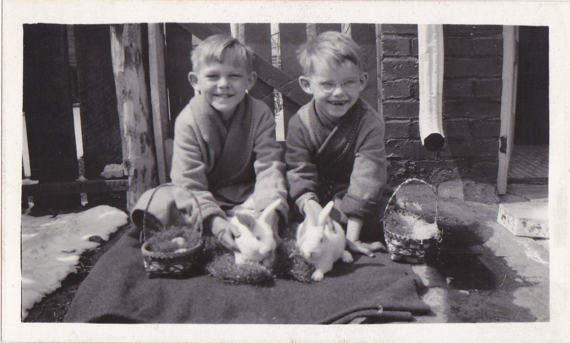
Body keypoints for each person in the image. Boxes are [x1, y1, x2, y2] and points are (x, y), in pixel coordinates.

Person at [170, 34, 288, 252]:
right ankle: (211, 225)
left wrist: (268, 215)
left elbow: (269, 167)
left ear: (249, 80)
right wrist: (214, 221)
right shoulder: (188, 121)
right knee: (162, 202)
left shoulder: (260, 114)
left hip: (249, 195)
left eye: (234, 76)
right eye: (213, 76)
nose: (223, 84)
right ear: (195, 81)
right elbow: (187, 181)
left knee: (280, 191)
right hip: (207, 197)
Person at [286, 31, 387, 257]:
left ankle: (339, 230)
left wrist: (352, 239)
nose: (339, 92)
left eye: (348, 82)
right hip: (314, 197)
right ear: (306, 84)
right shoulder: (299, 123)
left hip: (351, 196)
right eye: (327, 84)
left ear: (362, 82)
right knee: (283, 201)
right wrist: (312, 210)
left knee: (389, 214)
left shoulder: (370, 123)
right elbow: (299, 172)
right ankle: (311, 228)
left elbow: (367, 178)